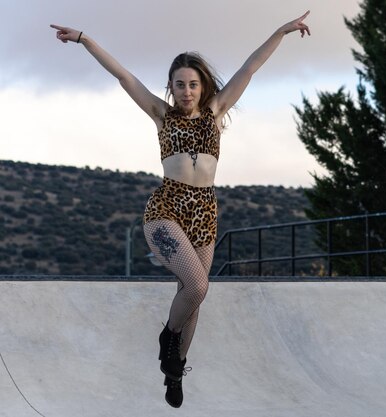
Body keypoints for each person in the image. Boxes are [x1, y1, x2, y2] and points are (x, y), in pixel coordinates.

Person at [50, 11, 311, 408]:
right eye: (180, 85)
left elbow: (250, 68)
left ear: (202, 85)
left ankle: (175, 370)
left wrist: (281, 31)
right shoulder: (161, 115)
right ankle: (168, 338)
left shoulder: (216, 111)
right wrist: (85, 38)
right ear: (171, 89)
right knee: (198, 285)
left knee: (193, 299)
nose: (187, 91)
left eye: (193, 84)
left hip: (204, 214)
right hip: (166, 209)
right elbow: (124, 77)